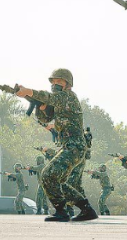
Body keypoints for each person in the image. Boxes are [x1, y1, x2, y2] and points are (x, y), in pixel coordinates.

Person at [15, 69, 97, 222]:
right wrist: (41, 106)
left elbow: (48, 97)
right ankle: (87, 210)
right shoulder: (58, 101)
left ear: (68, 84)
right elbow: (46, 118)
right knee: (57, 180)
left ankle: (62, 211)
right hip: (69, 146)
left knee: (47, 175)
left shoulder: (68, 97)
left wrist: (28, 91)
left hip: (75, 146)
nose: (55, 84)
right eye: (53, 82)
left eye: (59, 82)